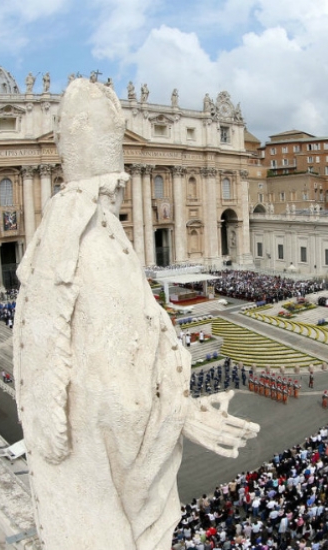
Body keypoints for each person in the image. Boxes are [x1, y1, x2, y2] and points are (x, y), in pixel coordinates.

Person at [13, 78, 258, 550]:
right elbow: (122, 402)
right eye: (124, 179)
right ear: (113, 179)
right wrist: (180, 414)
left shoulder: (51, 237)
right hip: (106, 502)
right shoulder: (99, 247)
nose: (127, 188)